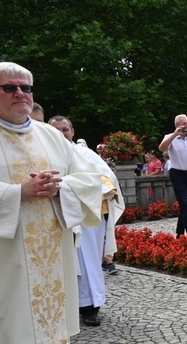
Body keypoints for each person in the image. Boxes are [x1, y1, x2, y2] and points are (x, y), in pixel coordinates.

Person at [0, 61, 101, 344]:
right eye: (9, 88)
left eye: (26, 87)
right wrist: (17, 192)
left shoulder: (52, 135)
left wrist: (59, 187)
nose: (20, 93)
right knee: (16, 336)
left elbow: (91, 178)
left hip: (51, 260)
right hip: (4, 263)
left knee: (47, 336)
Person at [49, 115, 122, 325]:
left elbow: (107, 180)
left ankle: (89, 305)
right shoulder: (44, 155)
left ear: (72, 132)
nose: (62, 134)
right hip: (56, 216)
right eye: (56, 130)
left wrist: (68, 188)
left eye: (65, 129)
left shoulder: (85, 153)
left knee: (86, 260)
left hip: (86, 216)